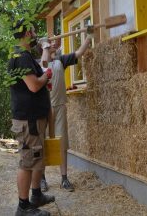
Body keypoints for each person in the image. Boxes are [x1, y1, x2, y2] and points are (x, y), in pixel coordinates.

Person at [8, 19, 55, 216]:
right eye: (34, 31)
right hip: (29, 120)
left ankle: (36, 195)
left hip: (34, 118)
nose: (36, 34)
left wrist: (48, 51)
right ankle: (23, 206)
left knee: (36, 159)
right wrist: (47, 76)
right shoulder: (21, 56)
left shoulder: (22, 55)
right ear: (27, 33)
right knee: (27, 162)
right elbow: (34, 85)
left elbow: (36, 76)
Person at [39, 26, 94, 192]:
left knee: (61, 143)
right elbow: (43, 63)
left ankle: (64, 179)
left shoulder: (61, 61)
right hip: (43, 109)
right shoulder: (38, 63)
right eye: (50, 43)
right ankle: (41, 179)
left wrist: (89, 37)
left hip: (60, 107)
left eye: (55, 43)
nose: (53, 44)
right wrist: (46, 45)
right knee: (42, 144)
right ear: (44, 47)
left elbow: (79, 53)